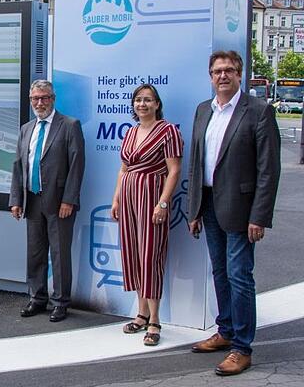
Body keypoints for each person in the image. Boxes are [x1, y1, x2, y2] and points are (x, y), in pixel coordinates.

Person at [187, 50, 281, 376]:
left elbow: (268, 169)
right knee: (220, 273)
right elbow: (197, 163)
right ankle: (225, 330)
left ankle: (242, 347)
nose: (222, 76)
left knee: (240, 276)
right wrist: (194, 209)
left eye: (229, 70)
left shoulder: (258, 111)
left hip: (241, 209)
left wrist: (260, 216)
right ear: (210, 76)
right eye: (217, 71)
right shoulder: (204, 110)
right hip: (210, 204)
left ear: (239, 74)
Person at [111, 84, 183, 346]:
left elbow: (174, 170)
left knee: (151, 255)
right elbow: (123, 168)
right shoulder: (130, 132)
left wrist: (163, 203)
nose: (142, 104)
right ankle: (140, 314)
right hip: (129, 197)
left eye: (148, 100)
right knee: (134, 253)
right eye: (138, 100)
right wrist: (116, 197)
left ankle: (155, 320)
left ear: (157, 104)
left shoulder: (168, 131)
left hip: (152, 197)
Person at [9, 80, 85, 322]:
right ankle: (37, 298)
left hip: (58, 202)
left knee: (59, 254)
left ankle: (61, 302)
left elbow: (77, 166)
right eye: (35, 99)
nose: (39, 103)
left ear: (53, 99)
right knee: (35, 253)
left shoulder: (70, 125)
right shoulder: (26, 128)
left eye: (44, 98)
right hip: (32, 199)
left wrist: (69, 200)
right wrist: (16, 200)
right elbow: (19, 166)